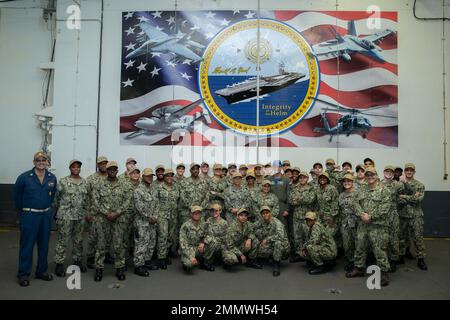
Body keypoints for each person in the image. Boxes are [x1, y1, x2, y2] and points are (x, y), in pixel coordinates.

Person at [14, 151, 57, 287]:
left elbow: (52, 196)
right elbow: (17, 197)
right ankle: (23, 274)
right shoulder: (24, 177)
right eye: (38, 160)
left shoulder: (52, 178)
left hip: (45, 215)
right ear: (34, 162)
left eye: (44, 160)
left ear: (47, 162)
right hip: (29, 215)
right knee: (27, 245)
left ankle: (41, 271)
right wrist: (23, 213)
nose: (41, 162)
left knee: (44, 245)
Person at [346, 167, 391, 287]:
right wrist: (362, 215)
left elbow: (385, 207)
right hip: (363, 224)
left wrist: (370, 216)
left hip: (378, 225)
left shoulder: (384, 190)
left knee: (379, 249)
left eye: (372, 174)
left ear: (376, 175)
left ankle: (384, 272)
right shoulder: (361, 190)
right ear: (365, 176)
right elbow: (354, 203)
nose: (370, 177)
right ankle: (359, 268)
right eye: (368, 175)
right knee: (360, 246)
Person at [92, 161, 131, 281]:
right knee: (101, 245)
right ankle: (99, 269)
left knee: (118, 245)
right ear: (107, 171)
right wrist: (106, 213)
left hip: (119, 219)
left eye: (114, 169)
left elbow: (127, 200)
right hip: (102, 219)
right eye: (110, 169)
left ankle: (120, 268)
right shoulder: (99, 184)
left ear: (117, 171)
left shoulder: (124, 184)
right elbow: (95, 200)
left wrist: (117, 213)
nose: (112, 171)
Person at [54, 159, 89, 277]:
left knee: (78, 240)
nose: (76, 169)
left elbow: (87, 200)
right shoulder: (63, 182)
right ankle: (59, 264)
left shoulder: (85, 182)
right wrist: (59, 211)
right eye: (73, 167)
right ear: (70, 168)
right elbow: (56, 199)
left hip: (80, 216)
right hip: (65, 216)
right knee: (63, 240)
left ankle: (77, 261)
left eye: (78, 167)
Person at [398, 163, 427, 270]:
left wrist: (404, 196)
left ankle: (421, 259)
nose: (409, 172)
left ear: (414, 172)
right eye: (407, 170)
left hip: (416, 216)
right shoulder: (399, 185)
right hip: (403, 215)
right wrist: (411, 197)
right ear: (404, 172)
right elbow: (398, 200)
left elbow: (417, 200)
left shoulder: (419, 185)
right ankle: (401, 256)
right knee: (401, 237)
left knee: (418, 237)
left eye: (411, 170)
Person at [133, 168, 158, 277]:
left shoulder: (154, 189)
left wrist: (155, 216)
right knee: (141, 243)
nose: (150, 178)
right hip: (142, 222)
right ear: (143, 177)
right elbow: (139, 207)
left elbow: (157, 204)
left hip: (152, 222)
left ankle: (147, 261)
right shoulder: (138, 190)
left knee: (151, 242)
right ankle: (138, 265)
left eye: (151, 176)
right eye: (147, 176)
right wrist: (149, 217)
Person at [287, 170, 316, 262]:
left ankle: (308, 254)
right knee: (297, 236)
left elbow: (311, 199)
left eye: (304, 177)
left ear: (307, 179)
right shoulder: (294, 188)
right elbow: (291, 201)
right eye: (301, 177)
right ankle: (299, 254)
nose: (302, 179)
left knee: (307, 236)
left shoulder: (311, 188)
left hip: (307, 217)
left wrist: (298, 199)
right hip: (296, 216)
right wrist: (303, 199)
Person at [179, 206, 218, 273]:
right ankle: (186, 263)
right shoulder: (185, 226)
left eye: (199, 213)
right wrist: (190, 256)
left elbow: (210, 235)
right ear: (191, 214)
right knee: (189, 264)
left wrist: (203, 242)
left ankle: (205, 262)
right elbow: (183, 244)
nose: (197, 215)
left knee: (214, 242)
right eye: (195, 213)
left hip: (199, 248)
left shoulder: (204, 224)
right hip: (189, 249)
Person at [253, 206, 290, 276]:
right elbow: (252, 227)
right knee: (257, 236)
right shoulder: (262, 221)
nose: (265, 215)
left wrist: (267, 239)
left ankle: (276, 265)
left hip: (283, 246)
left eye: (267, 213)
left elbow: (280, 236)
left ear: (270, 213)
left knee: (277, 243)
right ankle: (269, 257)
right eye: (263, 213)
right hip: (271, 244)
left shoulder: (277, 222)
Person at [85, 156, 108, 269]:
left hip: (108, 214)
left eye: (105, 163)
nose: (103, 165)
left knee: (107, 236)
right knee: (93, 236)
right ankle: (90, 257)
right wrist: (87, 213)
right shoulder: (91, 179)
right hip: (94, 213)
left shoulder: (112, 177)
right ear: (97, 165)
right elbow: (86, 197)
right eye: (101, 163)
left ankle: (106, 255)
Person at [155, 168, 180, 269]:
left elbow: (177, 200)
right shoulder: (158, 187)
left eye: (171, 175)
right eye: (167, 176)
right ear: (164, 177)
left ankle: (166, 254)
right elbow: (155, 201)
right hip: (162, 216)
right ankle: (161, 258)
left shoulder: (176, 187)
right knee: (163, 236)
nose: (169, 177)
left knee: (170, 236)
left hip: (173, 215)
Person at [381, 165, 403, 272]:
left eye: (391, 172)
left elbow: (408, 192)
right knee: (383, 237)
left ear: (394, 174)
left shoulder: (398, 184)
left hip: (393, 214)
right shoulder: (379, 184)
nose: (389, 173)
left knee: (394, 238)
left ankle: (394, 260)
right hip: (382, 215)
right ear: (384, 172)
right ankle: (383, 259)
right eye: (387, 171)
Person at [338, 173, 358, 272]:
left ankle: (358, 264)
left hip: (356, 222)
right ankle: (351, 261)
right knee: (347, 244)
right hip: (345, 223)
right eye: (345, 181)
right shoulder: (341, 195)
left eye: (349, 181)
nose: (346, 183)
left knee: (357, 243)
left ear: (352, 182)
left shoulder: (357, 193)